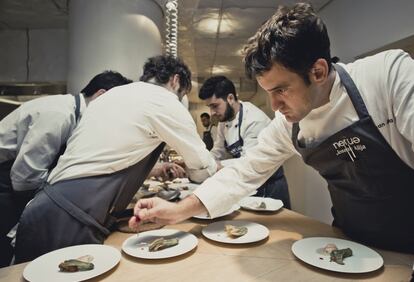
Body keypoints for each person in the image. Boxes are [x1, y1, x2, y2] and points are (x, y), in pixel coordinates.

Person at [130, 3, 414, 253]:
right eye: (267, 92)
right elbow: (243, 173)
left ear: (318, 72)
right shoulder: (287, 124)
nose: (274, 105)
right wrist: (178, 210)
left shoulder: (387, 77)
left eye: (281, 89)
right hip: (350, 241)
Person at [13, 55, 218, 263]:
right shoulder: (165, 101)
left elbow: (111, 154)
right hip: (72, 216)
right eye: (182, 93)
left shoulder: (112, 96)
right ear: (175, 81)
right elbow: (203, 170)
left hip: (44, 206)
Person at [0, 70, 132, 267]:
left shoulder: (74, 114)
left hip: (15, 183)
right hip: (5, 182)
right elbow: (24, 177)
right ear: (101, 95)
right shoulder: (59, 114)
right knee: (6, 249)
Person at [199, 76, 290, 205]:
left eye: (215, 106)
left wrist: (217, 166)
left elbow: (250, 163)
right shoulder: (223, 122)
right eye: (209, 107)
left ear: (230, 98)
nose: (212, 112)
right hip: (249, 184)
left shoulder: (254, 120)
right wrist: (202, 162)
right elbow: (219, 151)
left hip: (269, 186)